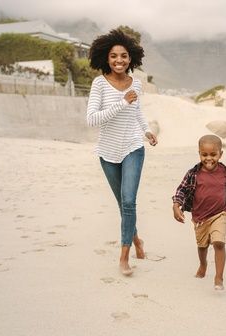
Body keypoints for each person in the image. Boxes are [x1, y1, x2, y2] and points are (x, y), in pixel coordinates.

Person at [86, 29, 158, 276]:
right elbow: (92, 120)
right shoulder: (99, 84)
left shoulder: (135, 83)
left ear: (131, 58)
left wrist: (147, 131)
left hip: (133, 148)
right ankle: (137, 239)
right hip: (107, 152)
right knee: (122, 204)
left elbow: (137, 111)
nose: (119, 60)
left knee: (129, 201)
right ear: (106, 58)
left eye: (124, 56)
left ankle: (124, 255)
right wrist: (121, 102)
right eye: (114, 56)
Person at [172, 135, 226, 290]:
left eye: (213, 155)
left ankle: (219, 277)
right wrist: (176, 206)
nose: (208, 158)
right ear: (199, 153)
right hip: (199, 218)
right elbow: (182, 190)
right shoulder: (193, 173)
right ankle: (203, 264)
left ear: (220, 154)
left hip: (219, 214)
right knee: (202, 246)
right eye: (204, 154)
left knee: (219, 243)